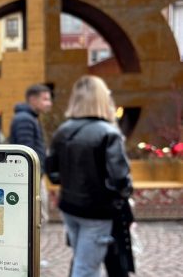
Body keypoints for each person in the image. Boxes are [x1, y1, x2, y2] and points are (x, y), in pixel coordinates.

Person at [45, 75, 133, 277]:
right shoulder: (108, 133)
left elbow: (53, 172)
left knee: (82, 259)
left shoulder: (63, 130)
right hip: (97, 210)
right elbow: (120, 178)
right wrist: (120, 194)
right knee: (86, 268)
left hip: (69, 206)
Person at [10, 84, 52, 225]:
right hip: (31, 175)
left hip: (35, 174)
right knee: (37, 217)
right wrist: (35, 173)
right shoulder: (24, 119)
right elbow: (26, 152)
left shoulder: (30, 117)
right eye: (45, 99)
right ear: (33, 100)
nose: (49, 103)